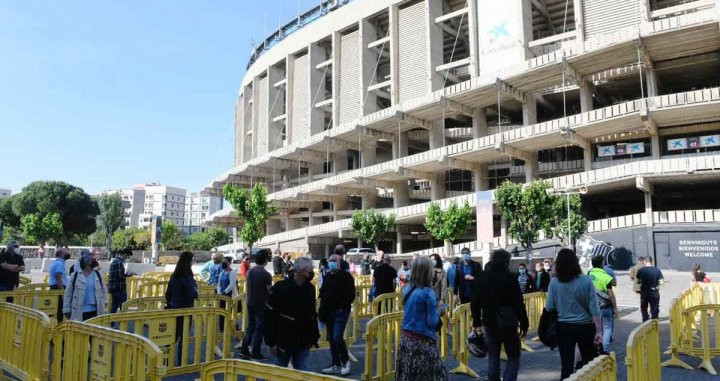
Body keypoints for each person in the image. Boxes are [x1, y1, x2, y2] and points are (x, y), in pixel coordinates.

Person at [471, 249, 529, 381]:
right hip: (509, 322)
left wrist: (476, 322)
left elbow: (475, 303)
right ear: (506, 262)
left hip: (489, 322)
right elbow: (518, 304)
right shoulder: (511, 278)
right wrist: (524, 324)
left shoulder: (482, 277)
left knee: (493, 357)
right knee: (513, 357)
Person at [545, 248, 602, 380]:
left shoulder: (554, 282)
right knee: (590, 363)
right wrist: (598, 331)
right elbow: (595, 309)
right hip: (586, 327)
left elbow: (549, 307)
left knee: (566, 365)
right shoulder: (586, 280)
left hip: (564, 328)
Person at [395, 256, 447, 381]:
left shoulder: (408, 288)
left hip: (406, 341)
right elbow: (432, 322)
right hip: (423, 343)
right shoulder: (428, 293)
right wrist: (439, 312)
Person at [264, 256, 320, 371]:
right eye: (310, 270)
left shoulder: (310, 288)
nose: (312, 272)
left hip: (304, 339)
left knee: (301, 371)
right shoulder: (280, 288)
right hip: (283, 340)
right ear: (302, 272)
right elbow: (270, 316)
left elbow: (311, 314)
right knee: (279, 372)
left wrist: (313, 338)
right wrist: (271, 342)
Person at [319, 254, 356, 376]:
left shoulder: (346, 276)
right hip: (328, 312)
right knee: (330, 338)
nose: (332, 262)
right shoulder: (328, 276)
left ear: (340, 262)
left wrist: (341, 307)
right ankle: (336, 364)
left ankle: (345, 362)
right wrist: (322, 312)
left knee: (337, 337)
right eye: (330, 260)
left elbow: (351, 295)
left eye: (334, 260)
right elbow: (323, 293)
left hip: (341, 312)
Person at [165, 251, 199, 366]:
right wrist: (196, 290)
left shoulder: (174, 275)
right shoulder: (188, 277)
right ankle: (181, 360)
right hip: (186, 309)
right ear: (188, 261)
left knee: (171, 335)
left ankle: (165, 359)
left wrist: (170, 303)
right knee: (183, 336)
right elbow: (191, 294)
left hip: (173, 308)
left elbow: (167, 293)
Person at [238, 250, 272, 359]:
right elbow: (269, 290)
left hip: (250, 301)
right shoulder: (266, 274)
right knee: (259, 328)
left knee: (250, 326)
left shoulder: (250, 272)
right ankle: (256, 352)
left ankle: (244, 349)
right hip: (261, 303)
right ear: (265, 261)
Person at [63, 251, 107, 321]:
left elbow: (104, 291)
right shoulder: (74, 276)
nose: (90, 260)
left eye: (91, 259)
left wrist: (105, 304)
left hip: (96, 312)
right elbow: (68, 293)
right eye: (87, 258)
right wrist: (66, 309)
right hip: (78, 311)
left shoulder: (98, 275)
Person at [588, 255, 618, 353]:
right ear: (602, 264)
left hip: (592, 306)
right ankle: (604, 349)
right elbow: (611, 294)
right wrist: (615, 308)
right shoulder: (606, 277)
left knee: (595, 327)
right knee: (608, 327)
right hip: (605, 306)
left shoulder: (588, 275)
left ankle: (595, 347)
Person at [635, 256, 664, 322]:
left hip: (644, 292)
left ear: (645, 261)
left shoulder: (641, 270)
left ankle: (645, 320)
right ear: (652, 261)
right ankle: (654, 321)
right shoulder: (657, 270)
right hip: (654, 292)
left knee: (644, 307)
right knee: (655, 307)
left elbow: (638, 281)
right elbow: (661, 282)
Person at [107, 249, 135, 314]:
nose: (127, 258)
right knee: (123, 308)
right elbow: (121, 276)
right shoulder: (119, 263)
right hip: (119, 289)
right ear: (125, 254)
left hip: (113, 289)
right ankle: (121, 323)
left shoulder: (114, 261)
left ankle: (111, 323)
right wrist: (128, 274)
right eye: (128, 256)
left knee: (114, 307)